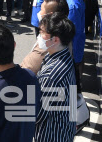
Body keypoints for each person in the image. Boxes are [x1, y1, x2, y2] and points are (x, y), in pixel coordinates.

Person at [35, 13, 77, 142]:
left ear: (55, 39)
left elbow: (38, 113)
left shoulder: (52, 74)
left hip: (52, 135)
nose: (39, 36)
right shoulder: (62, 55)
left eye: (42, 32)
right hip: (65, 128)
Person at [21, 0, 70, 74]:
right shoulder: (55, 34)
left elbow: (30, 68)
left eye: (41, 9)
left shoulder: (50, 42)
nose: (39, 13)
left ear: (50, 15)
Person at [55, 0, 86, 90]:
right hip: (70, 51)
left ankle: (74, 107)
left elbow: (71, 33)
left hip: (71, 52)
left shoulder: (71, 5)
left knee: (71, 85)